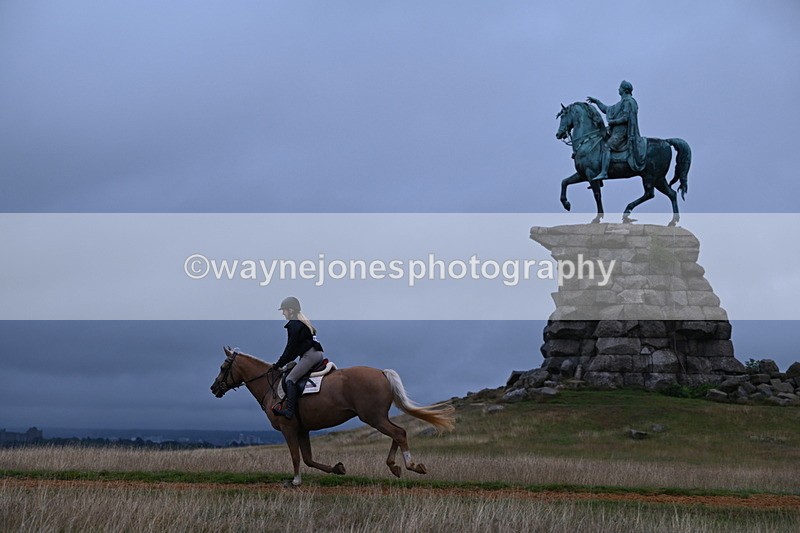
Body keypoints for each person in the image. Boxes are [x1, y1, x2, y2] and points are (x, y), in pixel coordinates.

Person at [272, 296, 324, 419]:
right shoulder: (303, 322)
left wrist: (278, 364)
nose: (283, 313)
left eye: (284, 310)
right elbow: (295, 351)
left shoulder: (294, 325)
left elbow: (290, 349)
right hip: (317, 353)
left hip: (309, 355)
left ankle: (290, 412)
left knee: (290, 379)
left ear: (291, 310)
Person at [586, 80, 646, 181]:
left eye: (620, 87)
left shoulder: (629, 101)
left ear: (624, 90)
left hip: (623, 133)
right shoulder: (621, 103)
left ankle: (604, 172)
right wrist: (597, 102)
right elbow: (607, 109)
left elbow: (626, 118)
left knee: (606, 146)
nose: (618, 89)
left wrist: (614, 122)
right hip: (616, 132)